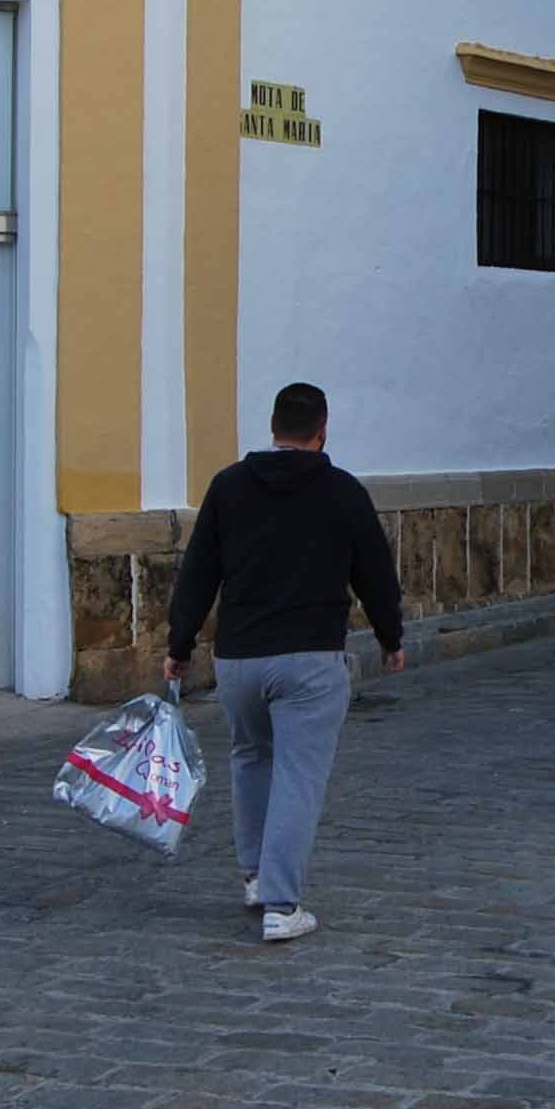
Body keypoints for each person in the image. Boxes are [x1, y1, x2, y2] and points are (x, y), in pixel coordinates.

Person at [166, 382, 406, 943]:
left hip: (239, 660)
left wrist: (179, 647)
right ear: (323, 430)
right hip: (309, 659)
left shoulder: (227, 488)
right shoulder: (343, 492)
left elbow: (198, 575)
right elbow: (374, 573)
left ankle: (254, 876)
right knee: (299, 775)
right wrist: (391, 638)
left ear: (273, 428)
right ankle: (281, 904)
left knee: (250, 758)